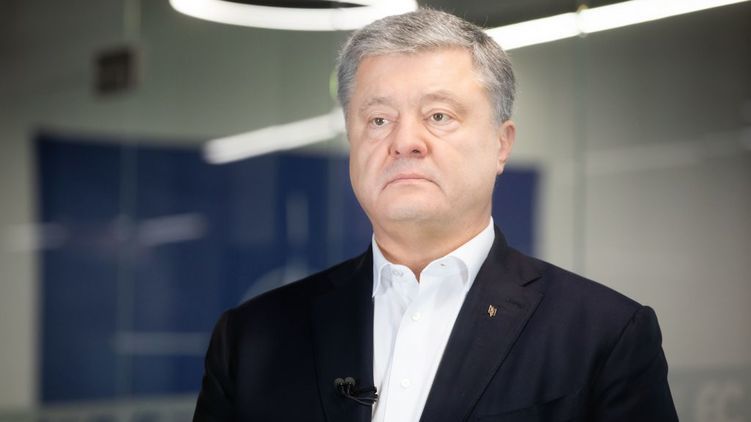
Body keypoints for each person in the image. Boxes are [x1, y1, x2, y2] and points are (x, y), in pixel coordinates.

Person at [193, 9, 678, 422]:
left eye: (438, 116)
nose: (405, 141)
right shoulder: (251, 340)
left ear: (501, 144)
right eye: (378, 120)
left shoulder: (604, 335)